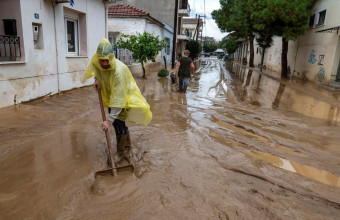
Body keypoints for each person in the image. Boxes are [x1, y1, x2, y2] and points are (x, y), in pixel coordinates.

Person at [85, 38, 152, 164]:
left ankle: (121, 153)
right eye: (102, 60)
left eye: (106, 60)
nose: (104, 63)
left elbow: (119, 98)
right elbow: (98, 72)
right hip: (112, 98)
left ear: (111, 57)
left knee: (118, 124)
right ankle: (127, 148)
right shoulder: (97, 63)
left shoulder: (119, 71)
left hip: (123, 98)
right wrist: (96, 80)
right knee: (119, 124)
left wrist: (109, 120)